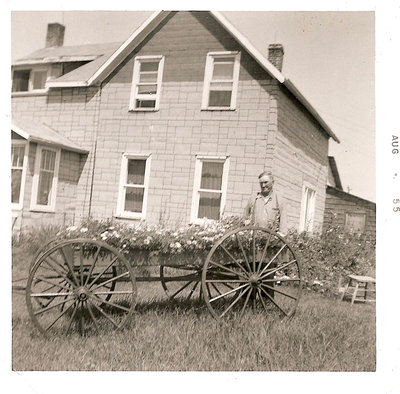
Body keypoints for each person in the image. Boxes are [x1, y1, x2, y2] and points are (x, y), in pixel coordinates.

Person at [244, 171, 288, 299]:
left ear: (272, 183)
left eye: (266, 182)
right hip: (254, 241)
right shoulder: (254, 198)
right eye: (261, 183)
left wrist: (280, 237)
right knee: (250, 272)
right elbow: (245, 216)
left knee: (267, 274)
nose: (263, 186)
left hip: (270, 242)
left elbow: (283, 222)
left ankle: (267, 302)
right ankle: (247, 300)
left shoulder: (279, 200)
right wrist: (246, 223)